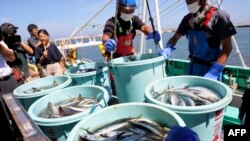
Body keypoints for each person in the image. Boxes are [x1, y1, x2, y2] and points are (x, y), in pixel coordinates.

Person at [160, 0, 236, 80]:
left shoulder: (219, 16)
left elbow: (227, 46)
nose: (189, 4)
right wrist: (168, 47)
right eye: (187, 1)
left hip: (210, 68)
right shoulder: (187, 19)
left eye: (191, 1)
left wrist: (215, 71)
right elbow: (175, 37)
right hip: (193, 67)